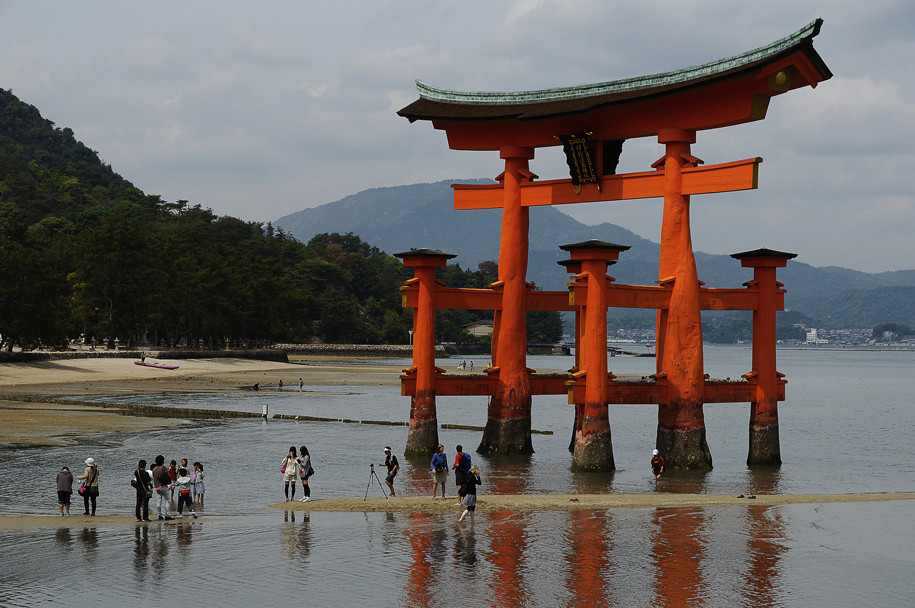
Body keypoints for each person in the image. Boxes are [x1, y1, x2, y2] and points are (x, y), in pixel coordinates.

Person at [152, 455, 173, 520]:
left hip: (157, 487)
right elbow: (168, 476)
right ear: (162, 461)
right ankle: (167, 515)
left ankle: (159, 515)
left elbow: (153, 477)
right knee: (167, 500)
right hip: (163, 486)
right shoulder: (164, 468)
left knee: (159, 501)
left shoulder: (154, 469)